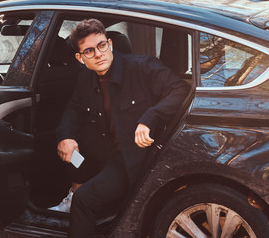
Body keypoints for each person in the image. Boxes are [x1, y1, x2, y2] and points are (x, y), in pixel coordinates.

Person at [53, 19, 190, 237]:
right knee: (71, 152)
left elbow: (180, 90)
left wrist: (149, 118)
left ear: (110, 44)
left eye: (101, 45)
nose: (98, 54)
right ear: (80, 58)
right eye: (89, 51)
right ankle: (78, 189)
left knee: (83, 201)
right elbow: (73, 109)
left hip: (127, 161)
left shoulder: (142, 66)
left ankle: (80, 199)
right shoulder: (86, 77)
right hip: (100, 153)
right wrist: (66, 136)